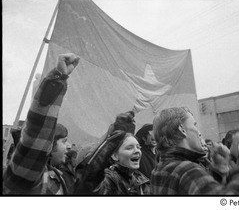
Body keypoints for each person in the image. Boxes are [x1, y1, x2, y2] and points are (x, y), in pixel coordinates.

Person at [3, 53, 80, 195]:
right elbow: (37, 136)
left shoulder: (58, 176)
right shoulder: (27, 176)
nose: (69, 146)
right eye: (64, 141)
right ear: (49, 144)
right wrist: (57, 79)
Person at [151, 107, 239, 195]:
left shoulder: (160, 168)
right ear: (182, 129)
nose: (199, 132)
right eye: (194, 125)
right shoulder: (186, 170)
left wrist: (218, 174)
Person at [74, 111, 150, 195]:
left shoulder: (144, 182)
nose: (137, 150)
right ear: (115, 155)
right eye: (129, 148)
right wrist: (113, 140)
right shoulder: (109, 181)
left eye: (138, 147)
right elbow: (88, 182)